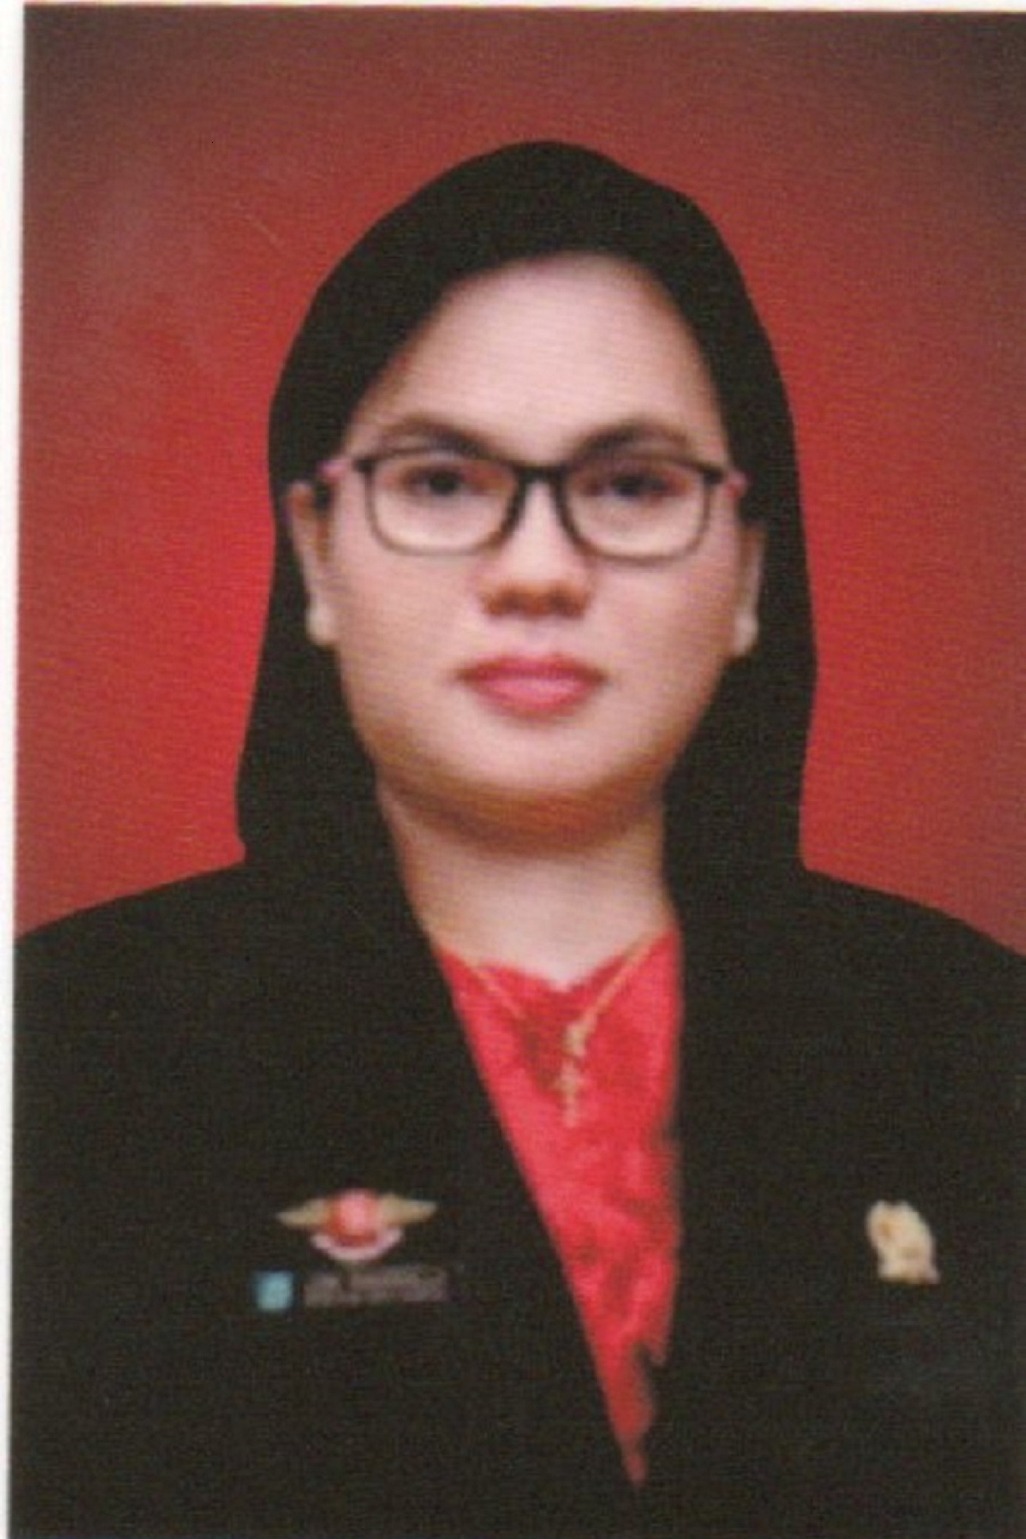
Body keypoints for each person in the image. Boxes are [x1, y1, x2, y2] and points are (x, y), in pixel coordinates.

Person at [12, 142, 1021, 1539]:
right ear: (315, 554)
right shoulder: (62, 1059)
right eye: (441, 483)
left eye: (631, 485)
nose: (538, 571)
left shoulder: (974, 1046)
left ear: (748, 570)